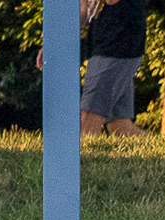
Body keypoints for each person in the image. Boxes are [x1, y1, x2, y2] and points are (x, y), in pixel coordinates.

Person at [38, 0, 149, 136]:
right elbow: (82, 12)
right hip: (105, 44)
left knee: (88, 118)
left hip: (118, 45)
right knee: (119, 126)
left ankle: (88, 156)